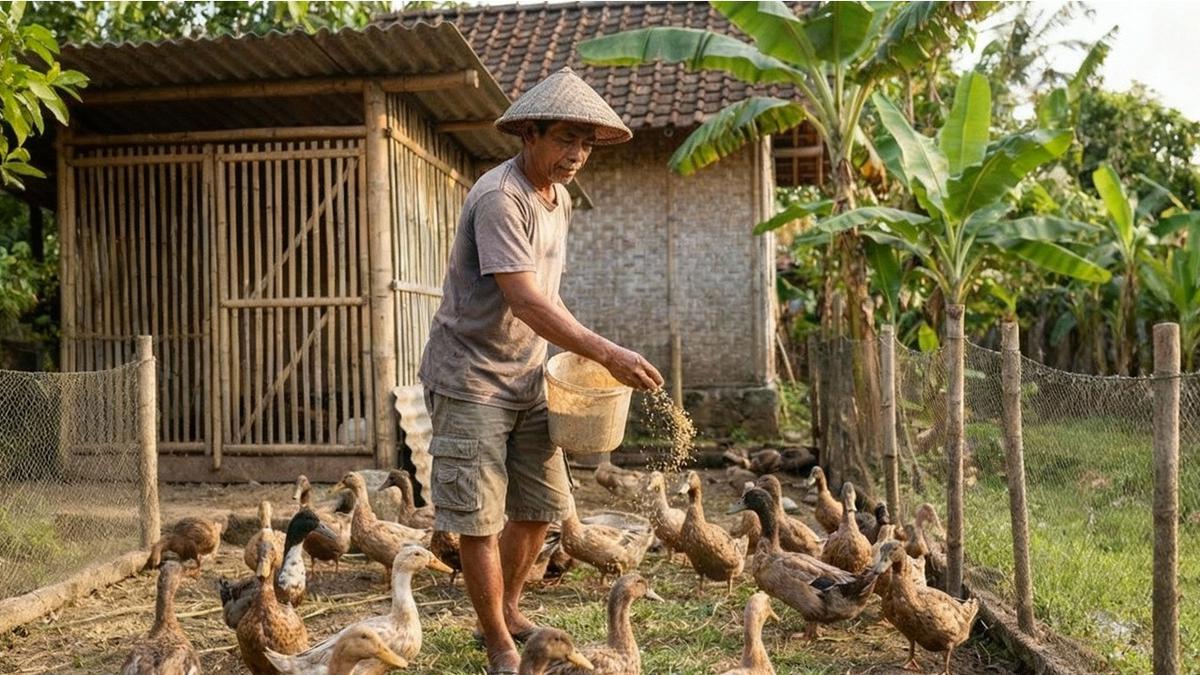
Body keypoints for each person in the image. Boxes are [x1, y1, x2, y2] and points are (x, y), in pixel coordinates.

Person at [417, 67, 664, 674]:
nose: (576, 154)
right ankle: (498, 640)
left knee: (538, 503)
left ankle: (509, 606)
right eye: (564, 140)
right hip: (471, 375)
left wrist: (578, 353)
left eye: (585, 143)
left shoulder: (557, 200)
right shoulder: (502, 198)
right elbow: (524, 299)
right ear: (529, 133)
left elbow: (547, 297)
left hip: (529, 374)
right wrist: (608, 352)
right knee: (476, 514)